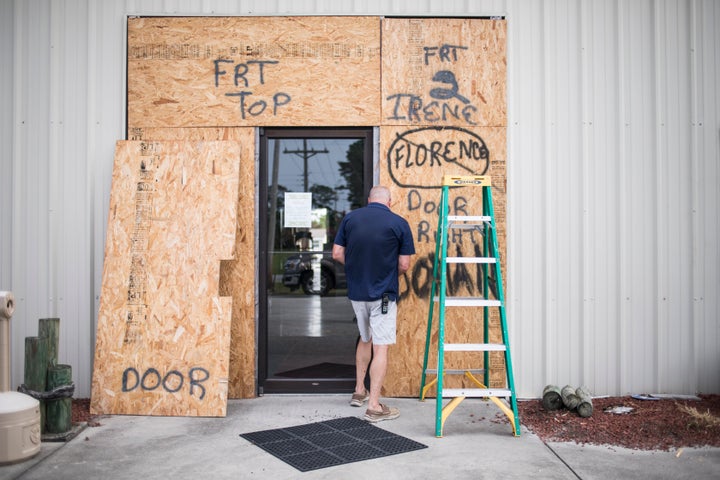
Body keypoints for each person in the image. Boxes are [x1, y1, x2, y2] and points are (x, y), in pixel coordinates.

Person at [332, 186, 415, 422]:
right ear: (390, 202)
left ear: (369, 200)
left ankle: (359, 391)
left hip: (357, 294)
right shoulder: (398, 223)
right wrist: (387, 275)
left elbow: (337, 253)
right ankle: (374, 406)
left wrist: (355, 270)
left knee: (365, 338)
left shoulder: (350, 219)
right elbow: (404, 265)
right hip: (384, 295)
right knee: (381, 347)